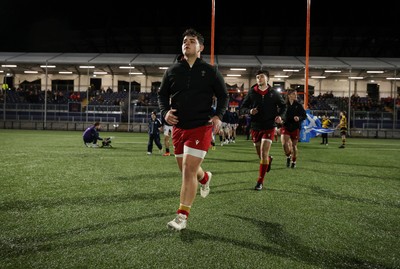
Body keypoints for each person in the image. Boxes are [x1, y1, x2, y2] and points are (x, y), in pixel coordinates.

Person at [158, 28, 229, 231]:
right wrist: (164, 112)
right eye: (184, 41)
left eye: (191, 41)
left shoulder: (210, 71)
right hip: (179, 128)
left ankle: (182, 217)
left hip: (201, 126)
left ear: (201, 47)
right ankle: (205, 178)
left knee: (188, 171)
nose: (186, 43)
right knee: (186, 169)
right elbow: (162, 95)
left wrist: (218, 116)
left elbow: (224, 96)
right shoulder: (172, 70)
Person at [240, 69, 286, 191]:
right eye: (257, 77)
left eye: (261, 77)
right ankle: (268, 160)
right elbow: (242, 107)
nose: (258, 79)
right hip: (255, 126)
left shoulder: (273, 93)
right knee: (260, 155)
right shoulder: (252, 92)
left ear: (267, 79)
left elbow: (283, 106)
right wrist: (249, 111)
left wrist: (280, 116)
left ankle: (260, 181)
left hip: (269, 126)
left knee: (264, 153)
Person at [280, 89, 307, 169]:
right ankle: (288, 156)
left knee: (294, 146)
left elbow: (304, 116)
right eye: (294, 94)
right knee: (284, 144)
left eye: (296, 94)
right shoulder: (284, 105)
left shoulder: (298, 105)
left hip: (295, 127)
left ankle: (294, 161)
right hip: (286, 126)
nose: (296, 95)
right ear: (289, 95)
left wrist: (299, 118)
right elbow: (280, 114)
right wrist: (280, 120)